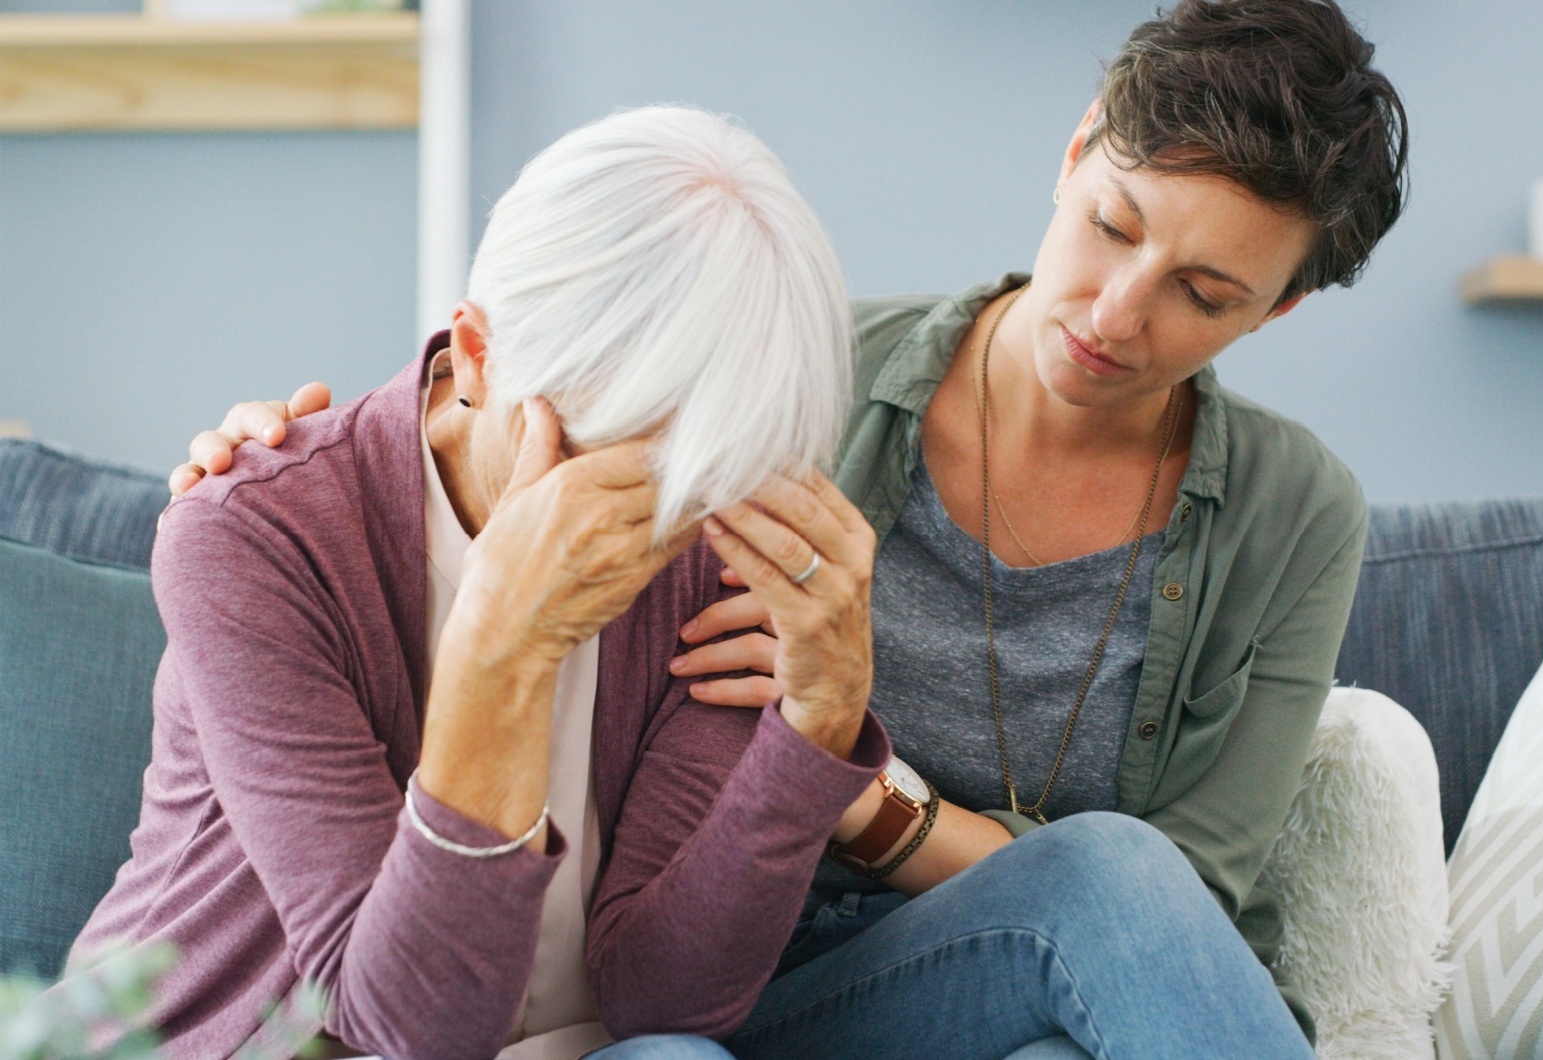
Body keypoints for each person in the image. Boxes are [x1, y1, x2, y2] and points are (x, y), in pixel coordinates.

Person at [174, 1, 1408, 1055]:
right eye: (1113, 226)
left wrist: (839, 754)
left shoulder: (1289, 511)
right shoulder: (766, 393)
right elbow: (508, 403)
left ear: (1277, 309)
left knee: (1106, 908)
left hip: (955, 952)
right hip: (725, 982)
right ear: (1077, 152)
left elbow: (1185, 906)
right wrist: (277, 472)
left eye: (1204, 294)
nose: (1118, 312)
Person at [67, 105, 893, 1060]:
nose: (659, 528)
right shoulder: (257, 534)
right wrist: (507, 643)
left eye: (707, 473)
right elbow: (402, 1032)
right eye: (612, 459)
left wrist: (820, 724)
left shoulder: (711, 533)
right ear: (478, 354)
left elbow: (665, 998)